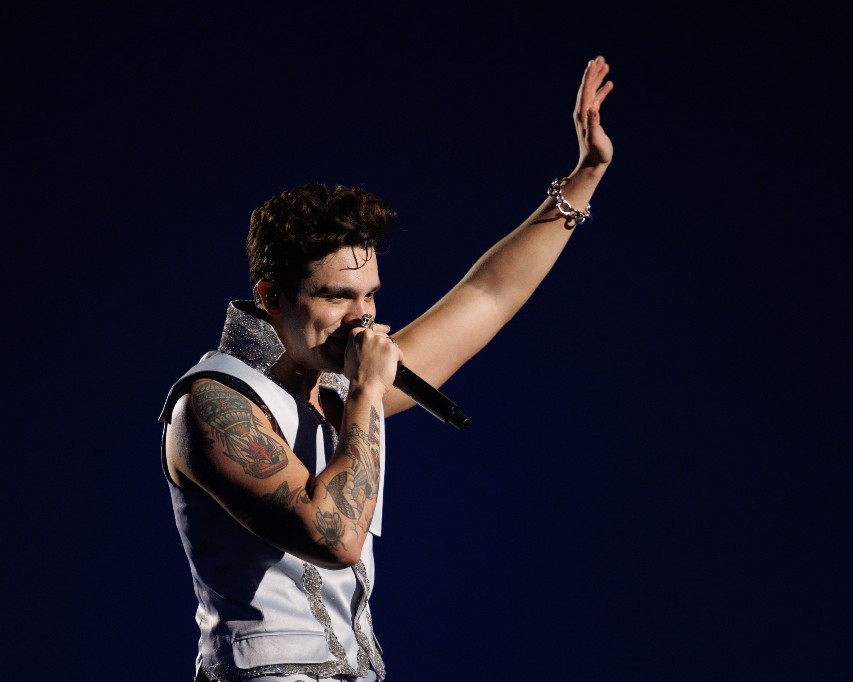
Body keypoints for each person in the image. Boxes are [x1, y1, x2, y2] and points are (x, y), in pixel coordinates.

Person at [160, 56, 614, 682]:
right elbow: (336, 538)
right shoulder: (214, 403)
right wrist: (368, 393)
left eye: (370, 295)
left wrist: (584, 176)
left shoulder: (335, 386)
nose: (362, 318)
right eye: (336, 296)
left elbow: (488, 295)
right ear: (271, 297)